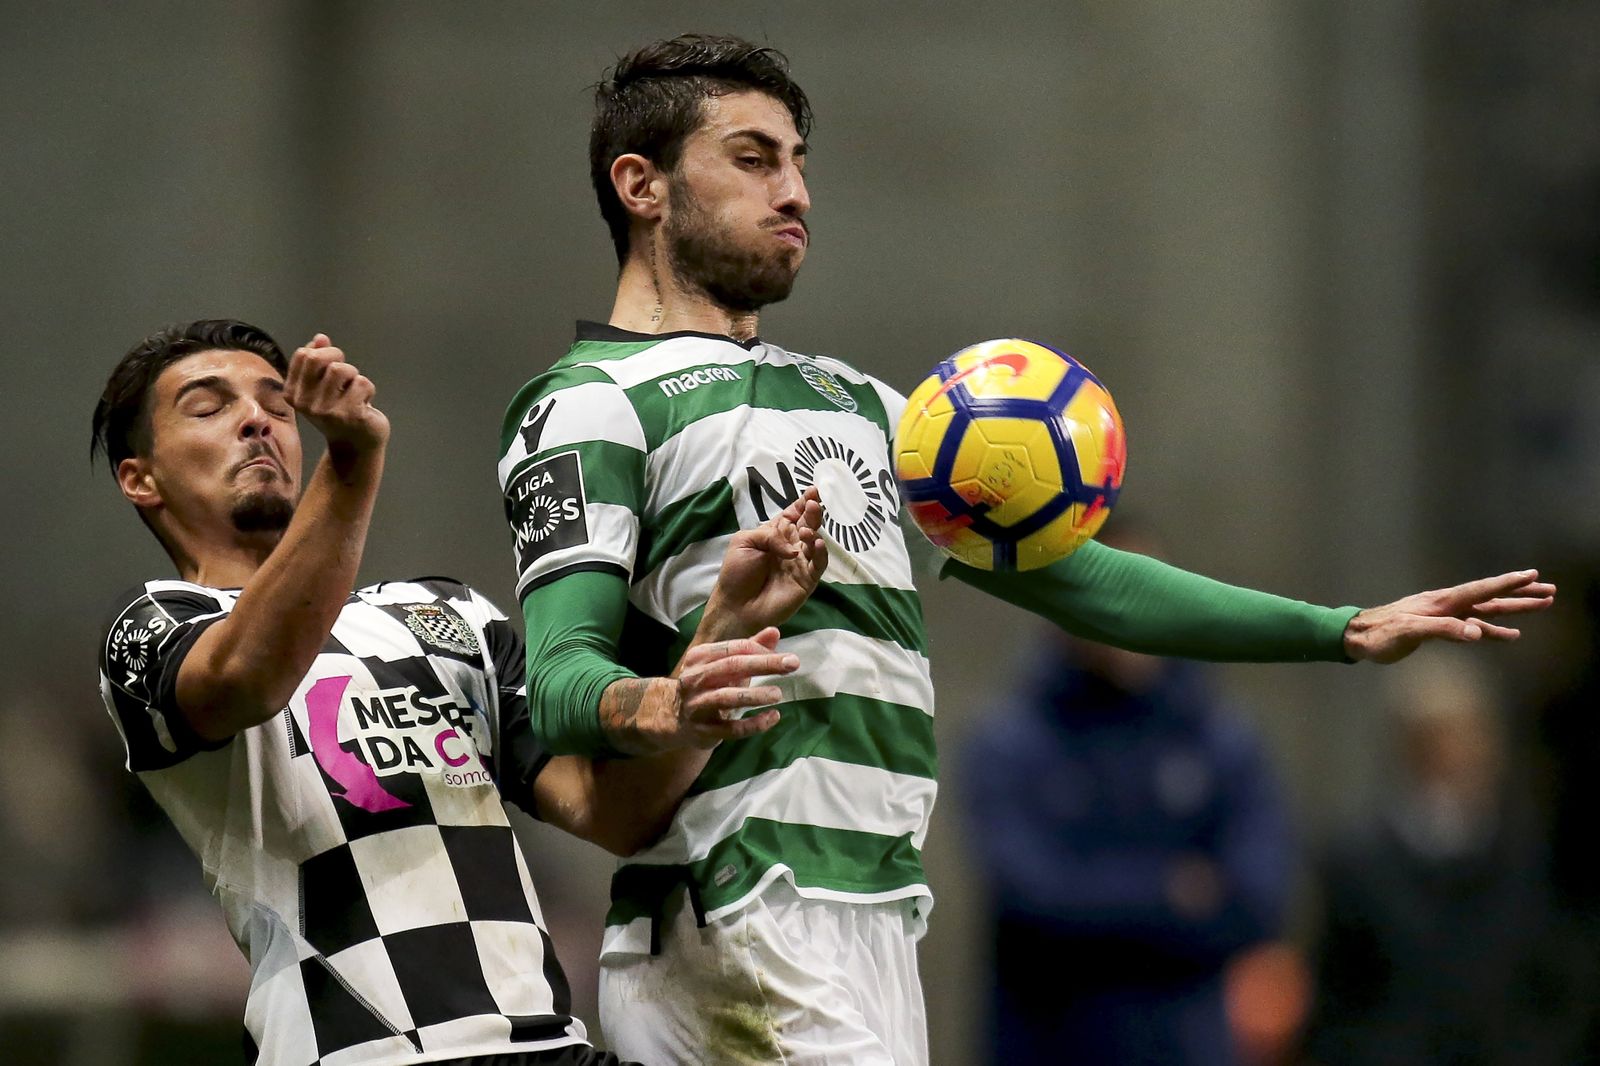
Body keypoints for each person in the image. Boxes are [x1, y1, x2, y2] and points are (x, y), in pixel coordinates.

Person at [495, 34, 1556, 1065]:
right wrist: (669, 702)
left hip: (872, 915)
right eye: (753, 159)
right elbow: (562, 681)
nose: (797, 193)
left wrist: (1340, 629)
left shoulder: (864, 405)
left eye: (799, 163)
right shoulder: (587, 404)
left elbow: (1085, 580)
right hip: (736, 907)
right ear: (640, 185)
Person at [91, 319, 826, 1066]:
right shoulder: (152, 627)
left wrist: (716, 643)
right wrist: (352, 461)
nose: (257, 419)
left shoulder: (448, 616)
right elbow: (247, 677)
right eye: (208, 407)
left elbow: (611, 811)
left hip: (546, 1045)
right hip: (365, 1054)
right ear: (140, 479)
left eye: (278, 405)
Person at [962, 523, 1295, 1066]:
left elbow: (1258, 901)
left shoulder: (1221, 739)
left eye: (1146, 589)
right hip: (1047, 1047)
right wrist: (1173, 890)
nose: (1127, 611)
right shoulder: (1012, 740)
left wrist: (1096, 895)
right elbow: (1032, 898)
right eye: (1106, 588)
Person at [1304, 656, 1576, 1066]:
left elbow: (1556, 983)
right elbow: (1337, 1001)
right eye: (1430, 740)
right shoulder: (1357, 864)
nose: (1451, 756)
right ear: (1404, 748)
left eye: (1464, 737)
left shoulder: (1529, 855)